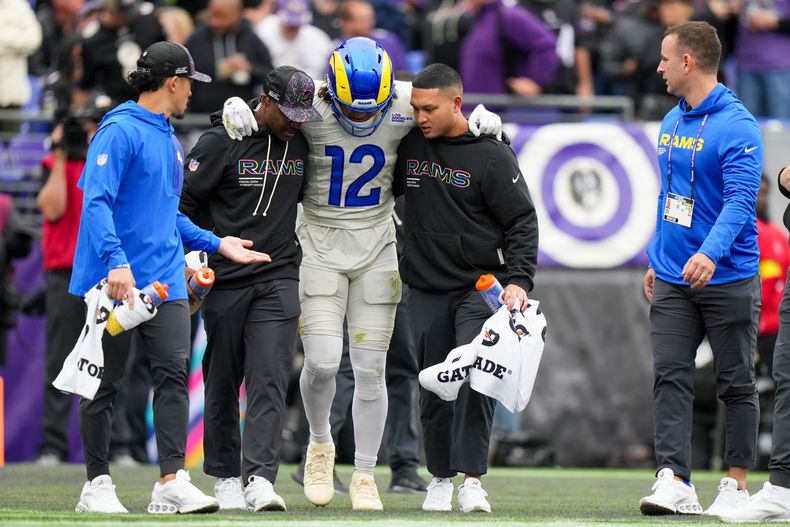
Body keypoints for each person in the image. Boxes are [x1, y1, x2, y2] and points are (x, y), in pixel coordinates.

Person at [221, 36, 502, 511]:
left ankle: (366, 473)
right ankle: (319, 445)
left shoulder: (405, 101)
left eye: (371, 109)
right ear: (330, 90)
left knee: (371, 371)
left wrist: (479, 117)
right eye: (350, 108)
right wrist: (238, 108)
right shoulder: (310, 103)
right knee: (323, 362)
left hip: (377, 248)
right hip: (318, 245)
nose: (360, 118)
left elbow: (446, 108)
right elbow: (270, 111)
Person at [69, 40, 270, 514]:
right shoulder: (118, 130)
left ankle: (171, 480)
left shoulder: (167, 136)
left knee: (173, 375)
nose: (192, 94)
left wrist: (217, 243)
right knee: (104, 380)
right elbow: (95, 202)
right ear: (173, 82)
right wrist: (116, 262)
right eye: (189, 84)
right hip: (114, 280)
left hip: (165, 279)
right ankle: (96, 483)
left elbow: (168, 215)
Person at [394, 63, 538, 513]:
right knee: (435, 383)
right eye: (416, 108)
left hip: (479, 287)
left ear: (457, 103)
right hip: (425, 287)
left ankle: (472, 480)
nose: (421, 117)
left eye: (430, 108)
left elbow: (522, 220)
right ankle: (439, 477)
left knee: (478, 377)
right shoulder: (408, 143)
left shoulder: (492, 154)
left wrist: (519, 281)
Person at [179, 65, 321, 512]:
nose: (296, 121)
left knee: (271, 376)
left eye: (303, 113)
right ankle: (224, 476)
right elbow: (182, 205)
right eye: (289, 112)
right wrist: (194, 259)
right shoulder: (221, 140)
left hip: (279, 274)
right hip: (224, 277)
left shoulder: (302, 141)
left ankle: (259, 477)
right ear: (266, 100)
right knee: (223, 379)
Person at [639, 21, 763, 517]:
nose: (659, 67)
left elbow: (740, 203)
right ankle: (675, 480)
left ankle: (736, 485)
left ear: (687, 62)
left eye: (665, 58)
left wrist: (709, 253)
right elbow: (669, 195)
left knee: (736, 383)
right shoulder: (672, 120)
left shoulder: (739, 126)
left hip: (728, 275)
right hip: (673, 274)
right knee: (669, 375)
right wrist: (657, 254)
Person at [36, 95, 118, 466]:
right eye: (87, 126)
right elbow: (52, 208)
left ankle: (117, 446)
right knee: (59, 358)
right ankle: (53, 446)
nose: (88, 133)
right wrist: (59, 154)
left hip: (108, 274)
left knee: (113, 362)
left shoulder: (111, 164)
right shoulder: (55, 163)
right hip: (64, 272)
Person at [720, 166, 790, 523]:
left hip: (771, 327)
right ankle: (777, 485)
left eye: (764, 191)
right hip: (751, 325)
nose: (759, 197)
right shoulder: (744, 233)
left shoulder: (776, 237)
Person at [185, 0, 273, 113]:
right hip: (200, 117)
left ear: (237, 14)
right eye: (212, 15)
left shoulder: (250, 38)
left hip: (242, 117)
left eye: (222, 16)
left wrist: (249, 68)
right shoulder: (196, 39)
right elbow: (183, 76)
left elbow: (270, 76)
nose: (214, 22)